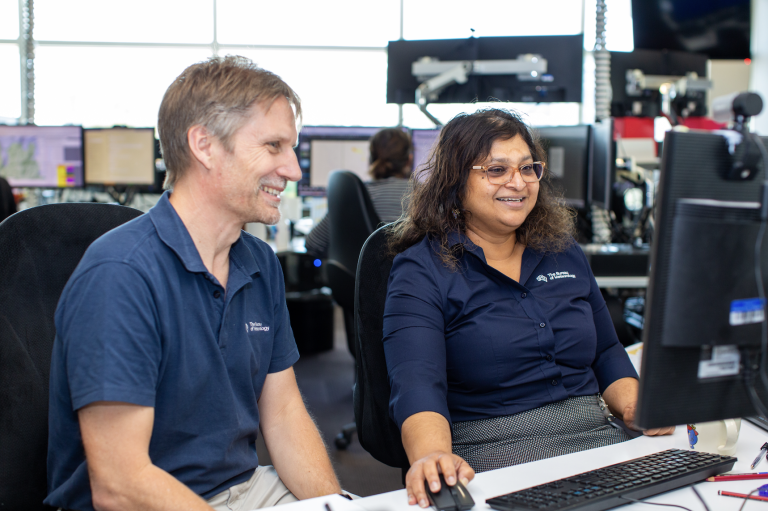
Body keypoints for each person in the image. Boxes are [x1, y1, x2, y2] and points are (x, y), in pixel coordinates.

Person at [45, 56, 343, 511]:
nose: (294, 170)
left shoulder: (259, 261)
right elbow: (120, 484)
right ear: (204, 145)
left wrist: (335, 507)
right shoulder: (120, 274)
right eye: (273, 146)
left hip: (243, 489)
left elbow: (282, 415)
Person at [382, 108, 674, 508]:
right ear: (455, 181)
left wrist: (636, 402)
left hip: (600, 440)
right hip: (499, 452)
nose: (517, 183)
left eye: (527, 168)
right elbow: (417, 384)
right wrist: (432, 455)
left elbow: (606, 350)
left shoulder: (563, 250)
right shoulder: (422, 269)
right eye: (496, 170)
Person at [304, 127, 412, 258]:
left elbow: (313, 242)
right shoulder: (425, 195)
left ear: (371, 160)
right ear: (409, 160)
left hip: (355, 277)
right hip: (408, 277)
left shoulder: (354, 194)